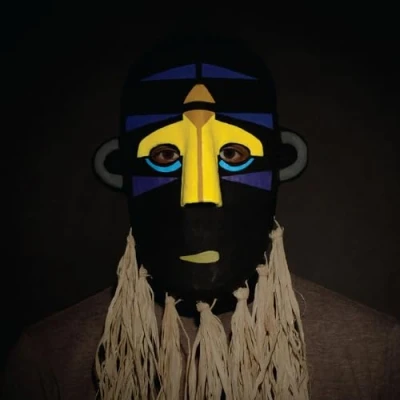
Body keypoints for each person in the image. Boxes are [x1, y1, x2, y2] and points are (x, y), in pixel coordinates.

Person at [2, 33, 400, 400]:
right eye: (164, 155)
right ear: (120, 171)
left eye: (233, 154)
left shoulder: (377, 354)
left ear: (281, 165)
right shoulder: (49, 362)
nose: (199, 196)